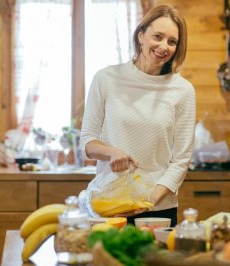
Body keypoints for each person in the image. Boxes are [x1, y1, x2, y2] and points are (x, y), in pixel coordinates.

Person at [80, 4, 195, 227]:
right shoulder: (106, 79)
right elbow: (87, 142)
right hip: (111, 206)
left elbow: (181, 160)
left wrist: (148, 201)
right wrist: (111, 152)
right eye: (158, 37)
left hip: (158, 209)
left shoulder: (183, 90)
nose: (164, 47)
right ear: (141, 36)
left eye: (172, 42)